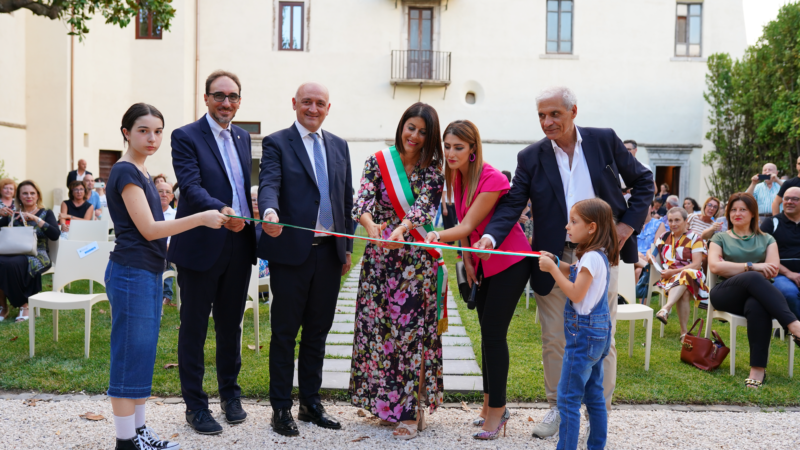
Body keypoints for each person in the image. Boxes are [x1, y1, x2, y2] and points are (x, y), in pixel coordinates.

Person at [474, 86, 654, 439]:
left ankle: (597, 414)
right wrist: (491, 237)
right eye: (541, 115)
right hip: (551, 258)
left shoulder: (604, 141)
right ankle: (559, 408)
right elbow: (512, 204)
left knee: (602, 335)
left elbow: (644, 180)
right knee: (554, 336)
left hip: (603, 253)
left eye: (554, 114)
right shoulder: (530, 157)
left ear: (574, 111)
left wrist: (626, 226)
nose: (547, 122)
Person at [106, 103, 228, 450]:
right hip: (130, 271)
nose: (152, 137)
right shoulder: (126, 172)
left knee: (142, 355)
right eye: (143, 130)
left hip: (145, 272)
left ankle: (139, 432)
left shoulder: (143, 172)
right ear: (126, 132)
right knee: (130, 355)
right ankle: (126, 441)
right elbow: (149, 229)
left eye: (158, 131)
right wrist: (202, 217)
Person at [424, 120, 530, 440]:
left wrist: (435, 235)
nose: (451, 152)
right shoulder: (456, 176)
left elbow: (469, 221)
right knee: (486, 335)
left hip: (510, 262)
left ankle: (497, 412)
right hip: (483, 264)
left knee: (494, 336)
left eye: (458, 147)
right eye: (447, 146)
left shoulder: (492, 177)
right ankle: (489, 405)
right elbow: (466, 226)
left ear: (473, 149)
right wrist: (466, 257)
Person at [259, 82, 353, 437]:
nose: (313, 109)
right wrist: (269, 211)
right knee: (285, 334)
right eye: (307, 102)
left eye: (320, 103)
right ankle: (280, 408)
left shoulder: (339, 145)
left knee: (318, 332)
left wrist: (345, 249)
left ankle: (310, 403)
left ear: (329, 108)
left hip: (329, 254)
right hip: (291, 254)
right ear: (294, 104)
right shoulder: (277, 142)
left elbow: (345, 200)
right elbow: (269, 182)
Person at [169, 70, 257, 435]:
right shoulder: (185, 136)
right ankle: (195, 405)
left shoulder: (242, 137)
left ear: (239, 100)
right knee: (193, 328)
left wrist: (247, 218)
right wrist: (225, 213)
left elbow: (242, 186)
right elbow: (190, 187)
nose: (226, 102)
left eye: (233, 96)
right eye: (219, 95)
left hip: (239, 244)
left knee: (230, 325)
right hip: (203, 243)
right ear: (205, 98)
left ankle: (230, 395)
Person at [349, 102, 443, 440]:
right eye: (410, 127)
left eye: (423, 131)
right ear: (401, 126)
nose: (414, 136)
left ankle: (409, 410)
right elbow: (361, 201)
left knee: (409, 337)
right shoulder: (378, 161)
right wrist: (370, 225)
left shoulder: (433, 172)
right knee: (379, 334)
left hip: (414, 263)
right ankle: (385, 406)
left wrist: (401, 230)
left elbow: (422, 210)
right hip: (379, 261)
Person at [538, 198, 618, 450]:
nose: (567, 226)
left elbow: (575, 293)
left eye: (574, 222)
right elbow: (573, 272)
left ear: (592, 227)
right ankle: (596, 446)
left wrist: (551, 269)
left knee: (568, 400)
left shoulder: (591, 258)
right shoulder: (595, 255)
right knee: (594, 395)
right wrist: (555, 261)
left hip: (582, 337)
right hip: (597, 335)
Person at [708, 192, 800, 388]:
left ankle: (757, 370)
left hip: (757, 295)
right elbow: (716, 267)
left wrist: (734, 266)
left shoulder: (767, 239)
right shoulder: (720, 237)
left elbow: (773, 269)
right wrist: (752, 266)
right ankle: (794, 325)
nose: (737, 213)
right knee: (753, 276)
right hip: (726, 293)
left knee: (757, 304)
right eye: (733, 209)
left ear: (753, 214)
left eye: (743, 209)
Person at [0, 180, 59, 323]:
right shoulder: (12, 214)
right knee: (2, 262)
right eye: (25, 193)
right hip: (13, 252)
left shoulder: (46, 213)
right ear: (19, 196)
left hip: (38, 254)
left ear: (38, 195)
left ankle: (24, 305)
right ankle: (3, 306)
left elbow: (55, 234)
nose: (29, 196)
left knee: (12, 264)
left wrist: (35, 218)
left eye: (32, 193)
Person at [652, 208, 709, 340]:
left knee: (686, 274)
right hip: (669, 278)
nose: (673, 223)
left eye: (677, 220)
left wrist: (673, 271)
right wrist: (650, 256)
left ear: (685, 221)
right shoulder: (664, 237)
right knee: (685, 292)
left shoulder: (695, 238)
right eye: (670, 220)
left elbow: (696, 264)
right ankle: (684, 333)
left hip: (693, 276)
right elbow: (652, 251)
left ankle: (666, 308)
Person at [760, 186, 800, 321]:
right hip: (779, 274)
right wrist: (789, 273)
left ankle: (786, 323)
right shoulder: (771, 223)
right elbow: (761, 254)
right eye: (786, 198)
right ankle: (793, 326)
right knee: (790, 294)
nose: (789, 202)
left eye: (795, 199)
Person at [156, 181, 176, 308]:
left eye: (167, 192)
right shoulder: (148, 213)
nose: (164, 194)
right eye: (160, 191)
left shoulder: (177, 215)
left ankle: (165, 294)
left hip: (169, 251)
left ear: (172, 197)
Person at [250, 186, 268, 281]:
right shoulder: (243, 221)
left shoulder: (267, 222)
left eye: (258, 199)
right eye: (253, 200)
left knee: (263, 294)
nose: (256, 202)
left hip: (263, 268)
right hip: (246, 262)